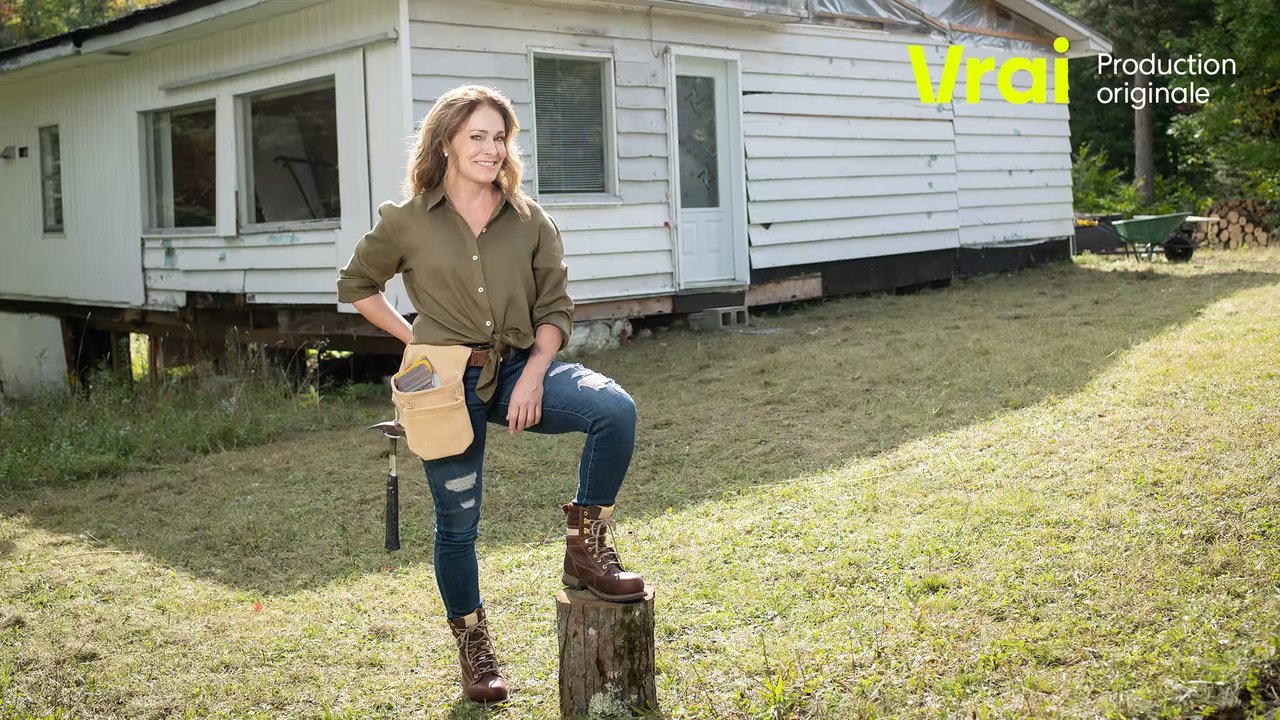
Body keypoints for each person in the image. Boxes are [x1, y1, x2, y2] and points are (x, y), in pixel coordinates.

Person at [335, 85, 646, 704]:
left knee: (614, 409)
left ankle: (587, 548)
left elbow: (556, 307)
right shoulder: (407, 220)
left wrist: (533, 374)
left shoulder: (529, 221)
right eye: (476, 136)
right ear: (446, 142)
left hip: (514, 371)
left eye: (499, 136)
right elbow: (357, 283)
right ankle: (475, 650)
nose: (489, 147)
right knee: (458, 526)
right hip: (440, 383)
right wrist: (413, 342)